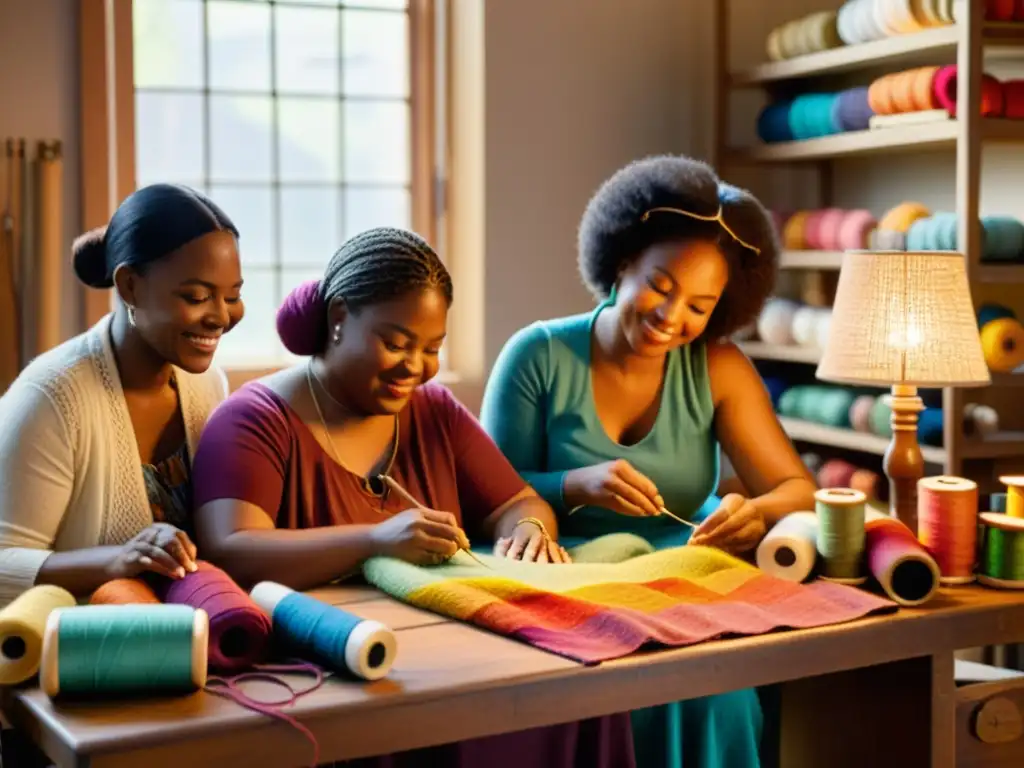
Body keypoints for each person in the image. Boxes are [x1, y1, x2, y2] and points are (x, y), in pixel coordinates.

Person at [191, 227, 634, 767]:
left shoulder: (435, 412)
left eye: (432, 348)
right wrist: (377, 539)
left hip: (451, 664)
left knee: (582, 695)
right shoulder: (253, 421)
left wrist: (529, 531)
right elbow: (228, 550)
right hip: (338, 679)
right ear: (337, 319)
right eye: (396, 343)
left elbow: (518, 502)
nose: (415, 367)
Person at [479, 155, 817, 768]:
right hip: (565, 574)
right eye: (661, 286)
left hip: (679, 580)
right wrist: (575, 485)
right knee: (604, 694)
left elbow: (796, 490)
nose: (672, 317)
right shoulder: (536, 355)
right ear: (622, 260)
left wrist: (753, 511)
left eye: (700, 305)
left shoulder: (718, 367)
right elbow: (487, 497)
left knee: (722, 697)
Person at [0, 183, 244, 606]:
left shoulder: (209, 385)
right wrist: (116, 560)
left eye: (234, 296)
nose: (220, 316)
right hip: (75, 650)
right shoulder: (52, 398)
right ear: (130, 286)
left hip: (194, 635)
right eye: (197, 296)